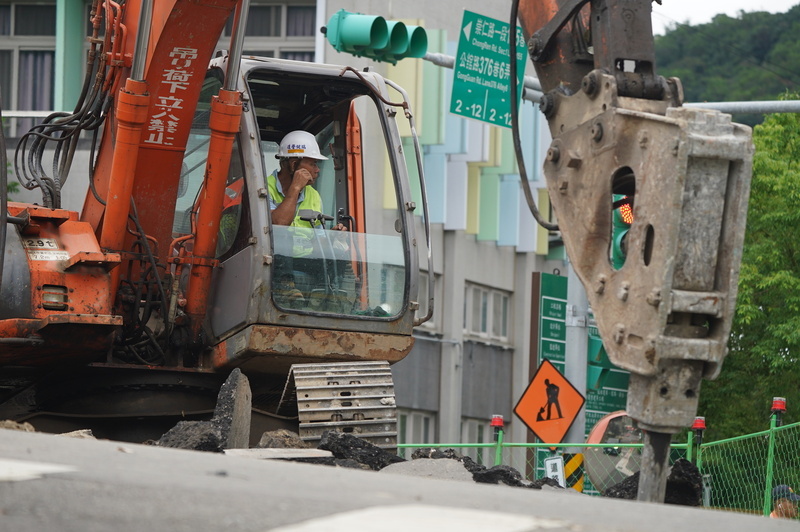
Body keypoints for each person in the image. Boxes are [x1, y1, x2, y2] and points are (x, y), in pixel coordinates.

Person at [268, 130, 346, 231]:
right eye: (313, 164)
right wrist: (295, 188)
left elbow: (316, 241)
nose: (317, 170)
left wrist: (333, 238)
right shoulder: (264, 189)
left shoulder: (314, 196)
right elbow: (279, 223)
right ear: (293, 165)